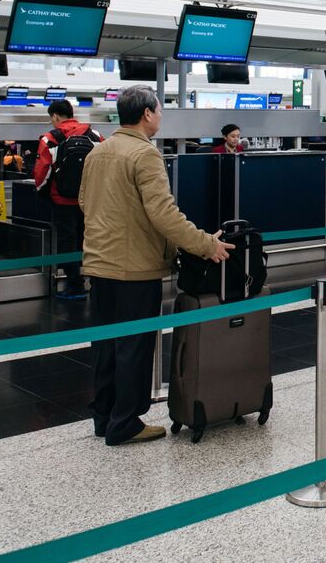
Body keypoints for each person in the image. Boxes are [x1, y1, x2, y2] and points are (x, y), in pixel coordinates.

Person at [78, 86, 232, 446]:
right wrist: (205, 243)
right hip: (133, 267)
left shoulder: (97, 152)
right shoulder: (145, 155)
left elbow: (85, 202)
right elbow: (163, 214)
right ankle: (126, 423)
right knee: (133, 345)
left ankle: (104, 416)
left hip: (99, 263)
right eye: (159, 110)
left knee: (105, 343)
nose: (160, 116)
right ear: (147, 114)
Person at [33, 99, 104, 300]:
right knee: (90, 240)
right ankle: (97, 282)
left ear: (55, 116)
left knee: (68, 242)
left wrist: (42, 192)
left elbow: (42, 172)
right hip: (88, 201)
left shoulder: (50, 139)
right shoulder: (94, 136)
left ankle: (75, 286)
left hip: (62, 200)